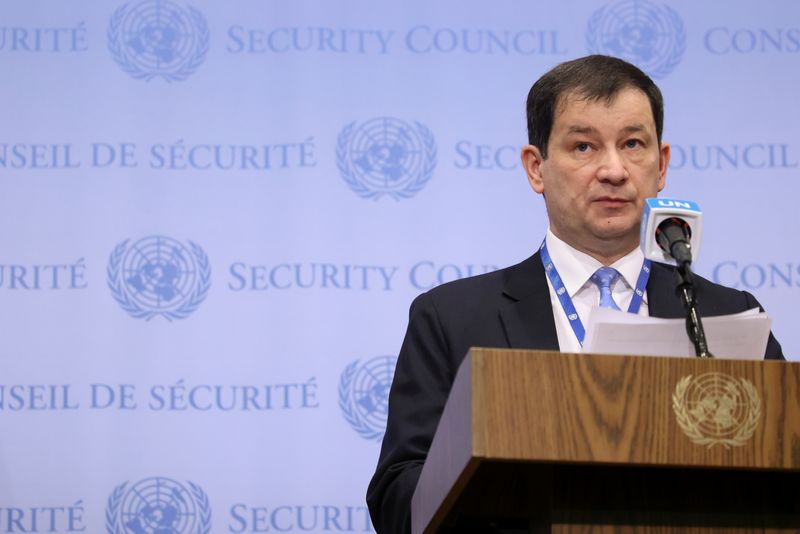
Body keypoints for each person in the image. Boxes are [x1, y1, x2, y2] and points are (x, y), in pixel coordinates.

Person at [366, 55, 784, 534]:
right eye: (583, 146)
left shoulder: (728, 316)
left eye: (632, 144)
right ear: (536, 168)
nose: (613, 170)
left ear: (662, 165)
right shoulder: (451, 318)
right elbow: (398, 499)